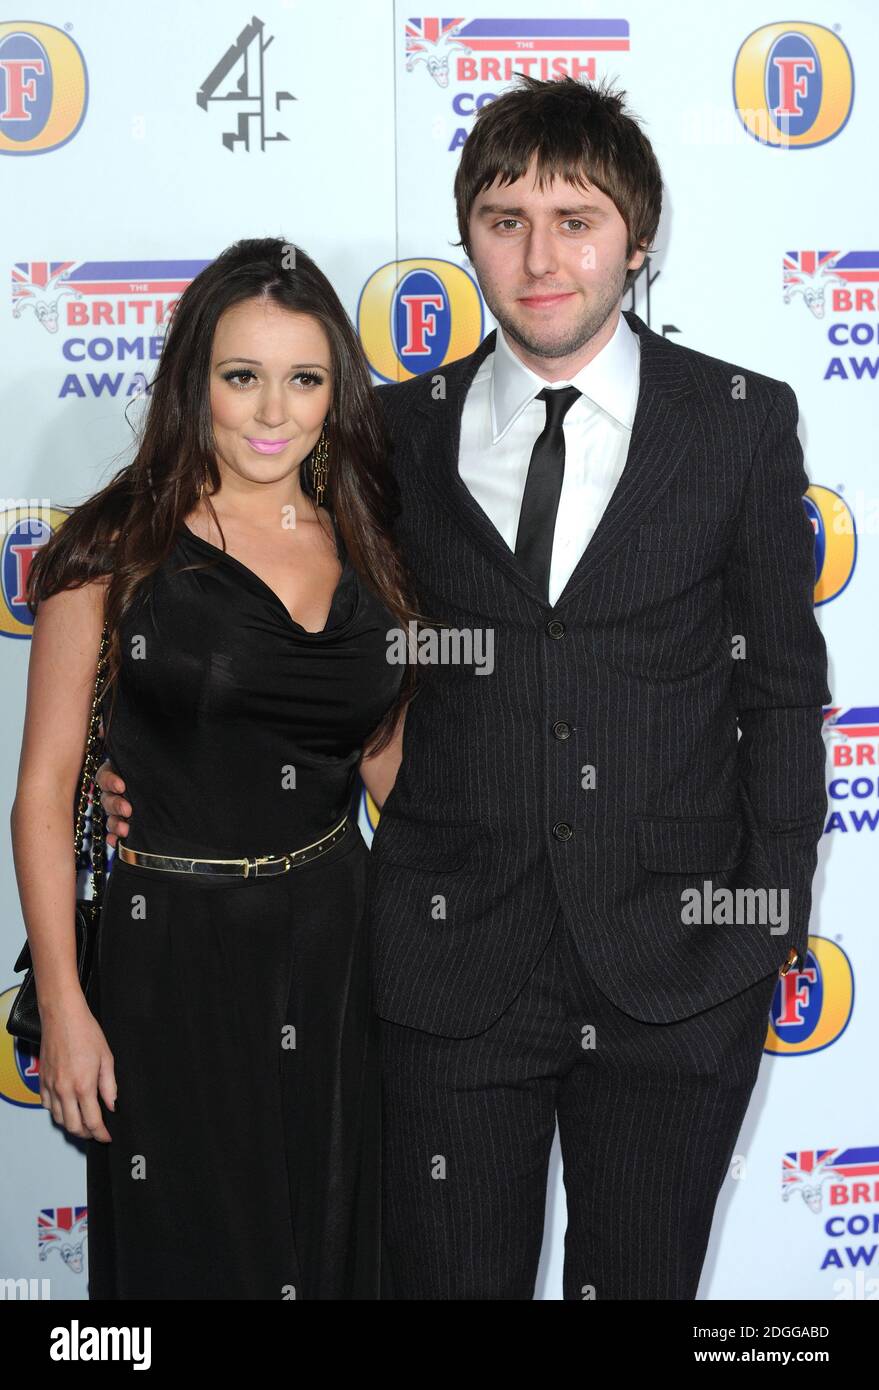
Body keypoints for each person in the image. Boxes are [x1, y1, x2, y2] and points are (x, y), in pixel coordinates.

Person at [98, 76, 831, 1300]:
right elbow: (257, 619)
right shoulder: (389, 436)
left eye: (576, 218)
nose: (541, 256)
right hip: (448, 971)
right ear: (469, 240)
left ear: (637, 242)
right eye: (505, 219)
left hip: (676, 973)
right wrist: (160, 782)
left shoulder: (736, 423)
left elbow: (784, 694)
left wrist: (761, 926)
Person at [10, 237, 420, 1299]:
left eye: (304, 378)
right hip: (172, 962)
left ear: (337, 390)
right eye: (243, 376)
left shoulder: (370, 541)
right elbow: (46, 793)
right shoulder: (114, 549)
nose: (273, 411)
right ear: (195, 380)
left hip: (339, 953)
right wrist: (66, 1004)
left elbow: (388, 767)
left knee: (337, 1247)